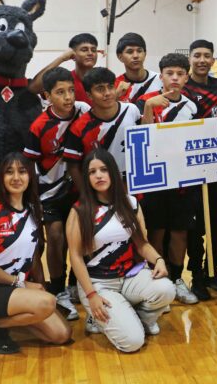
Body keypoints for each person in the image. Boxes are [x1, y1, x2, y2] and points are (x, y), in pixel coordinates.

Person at [66, 149, 176, 352]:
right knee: (132, 343)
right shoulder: (79, 211)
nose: (98, 175)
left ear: (113, 173)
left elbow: (141, 243)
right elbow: (75, 257)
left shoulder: (130, 203)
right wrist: (91, 295)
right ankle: (98, 317)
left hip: (129, 277)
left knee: (167, 289)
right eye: (92, 172)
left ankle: (136, 318)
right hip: (99, 284)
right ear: (86, 178)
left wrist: (159, 259)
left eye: (103, 170)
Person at [0, 153, 71, 354]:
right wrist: (21, 283)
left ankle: (5, 322)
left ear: (30, 176)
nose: (16, 177)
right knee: (47, 304)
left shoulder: (33, 209)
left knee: (61, 334)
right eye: (9, 172)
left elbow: (33, 258)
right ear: (1, 178)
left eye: (22, 172)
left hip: (14, 288)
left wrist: (39, 285)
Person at [23, 67, 90, 320]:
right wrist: (33, 199)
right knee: (55, 235)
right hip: (48, 191)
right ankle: (58, 289)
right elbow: (30, 163)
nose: (68, 97)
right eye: (60, 92)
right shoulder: (39, 125)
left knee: (82, 235)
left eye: (71, 90)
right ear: (47, 95)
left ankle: (77, 283)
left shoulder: (84, 111)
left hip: (79, 188)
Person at [137, 53, 200, 305]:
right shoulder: (144, 101)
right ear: (160, 75)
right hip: (155, 179)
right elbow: (140, 138)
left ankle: (176, 278)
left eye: (180, 74)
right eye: (169, 73)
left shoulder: (191, 106)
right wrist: (149, 108)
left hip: (182, 180)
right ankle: (157, 279)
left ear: (186, 77)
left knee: (179, 232)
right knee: (156, 231)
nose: (174, 78)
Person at [183, 40, 217, 300]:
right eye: (197, 55)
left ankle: (212, 270)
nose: (202, 60)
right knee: (195, 225)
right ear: (190, 58)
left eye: (207, 56)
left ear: (214, 60)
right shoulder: (181, 87)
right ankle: (197, 276)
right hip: (190, 169)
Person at [63, 67, 142, 188]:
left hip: (133, 185)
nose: (107, 93)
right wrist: (85, 194)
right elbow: (73, 166)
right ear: (89, 95)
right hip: (100, 188)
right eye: (100, 89)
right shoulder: (79, 127)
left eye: (110, 87)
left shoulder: (132, 110)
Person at [31, 33, 100, 105]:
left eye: (93, 50)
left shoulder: (106, 79)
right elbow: (34, 88)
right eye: (84, 50)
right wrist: (61, 58)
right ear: (73, 54)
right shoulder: (64, 79)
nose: (90, 53)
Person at [114, 32, 162, 103]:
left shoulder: (161, 80)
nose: (136, 56)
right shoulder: (114, 85)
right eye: (130, 52)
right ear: (120, 57)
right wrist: (115, 97)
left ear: (145, 54)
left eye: (139, 51)